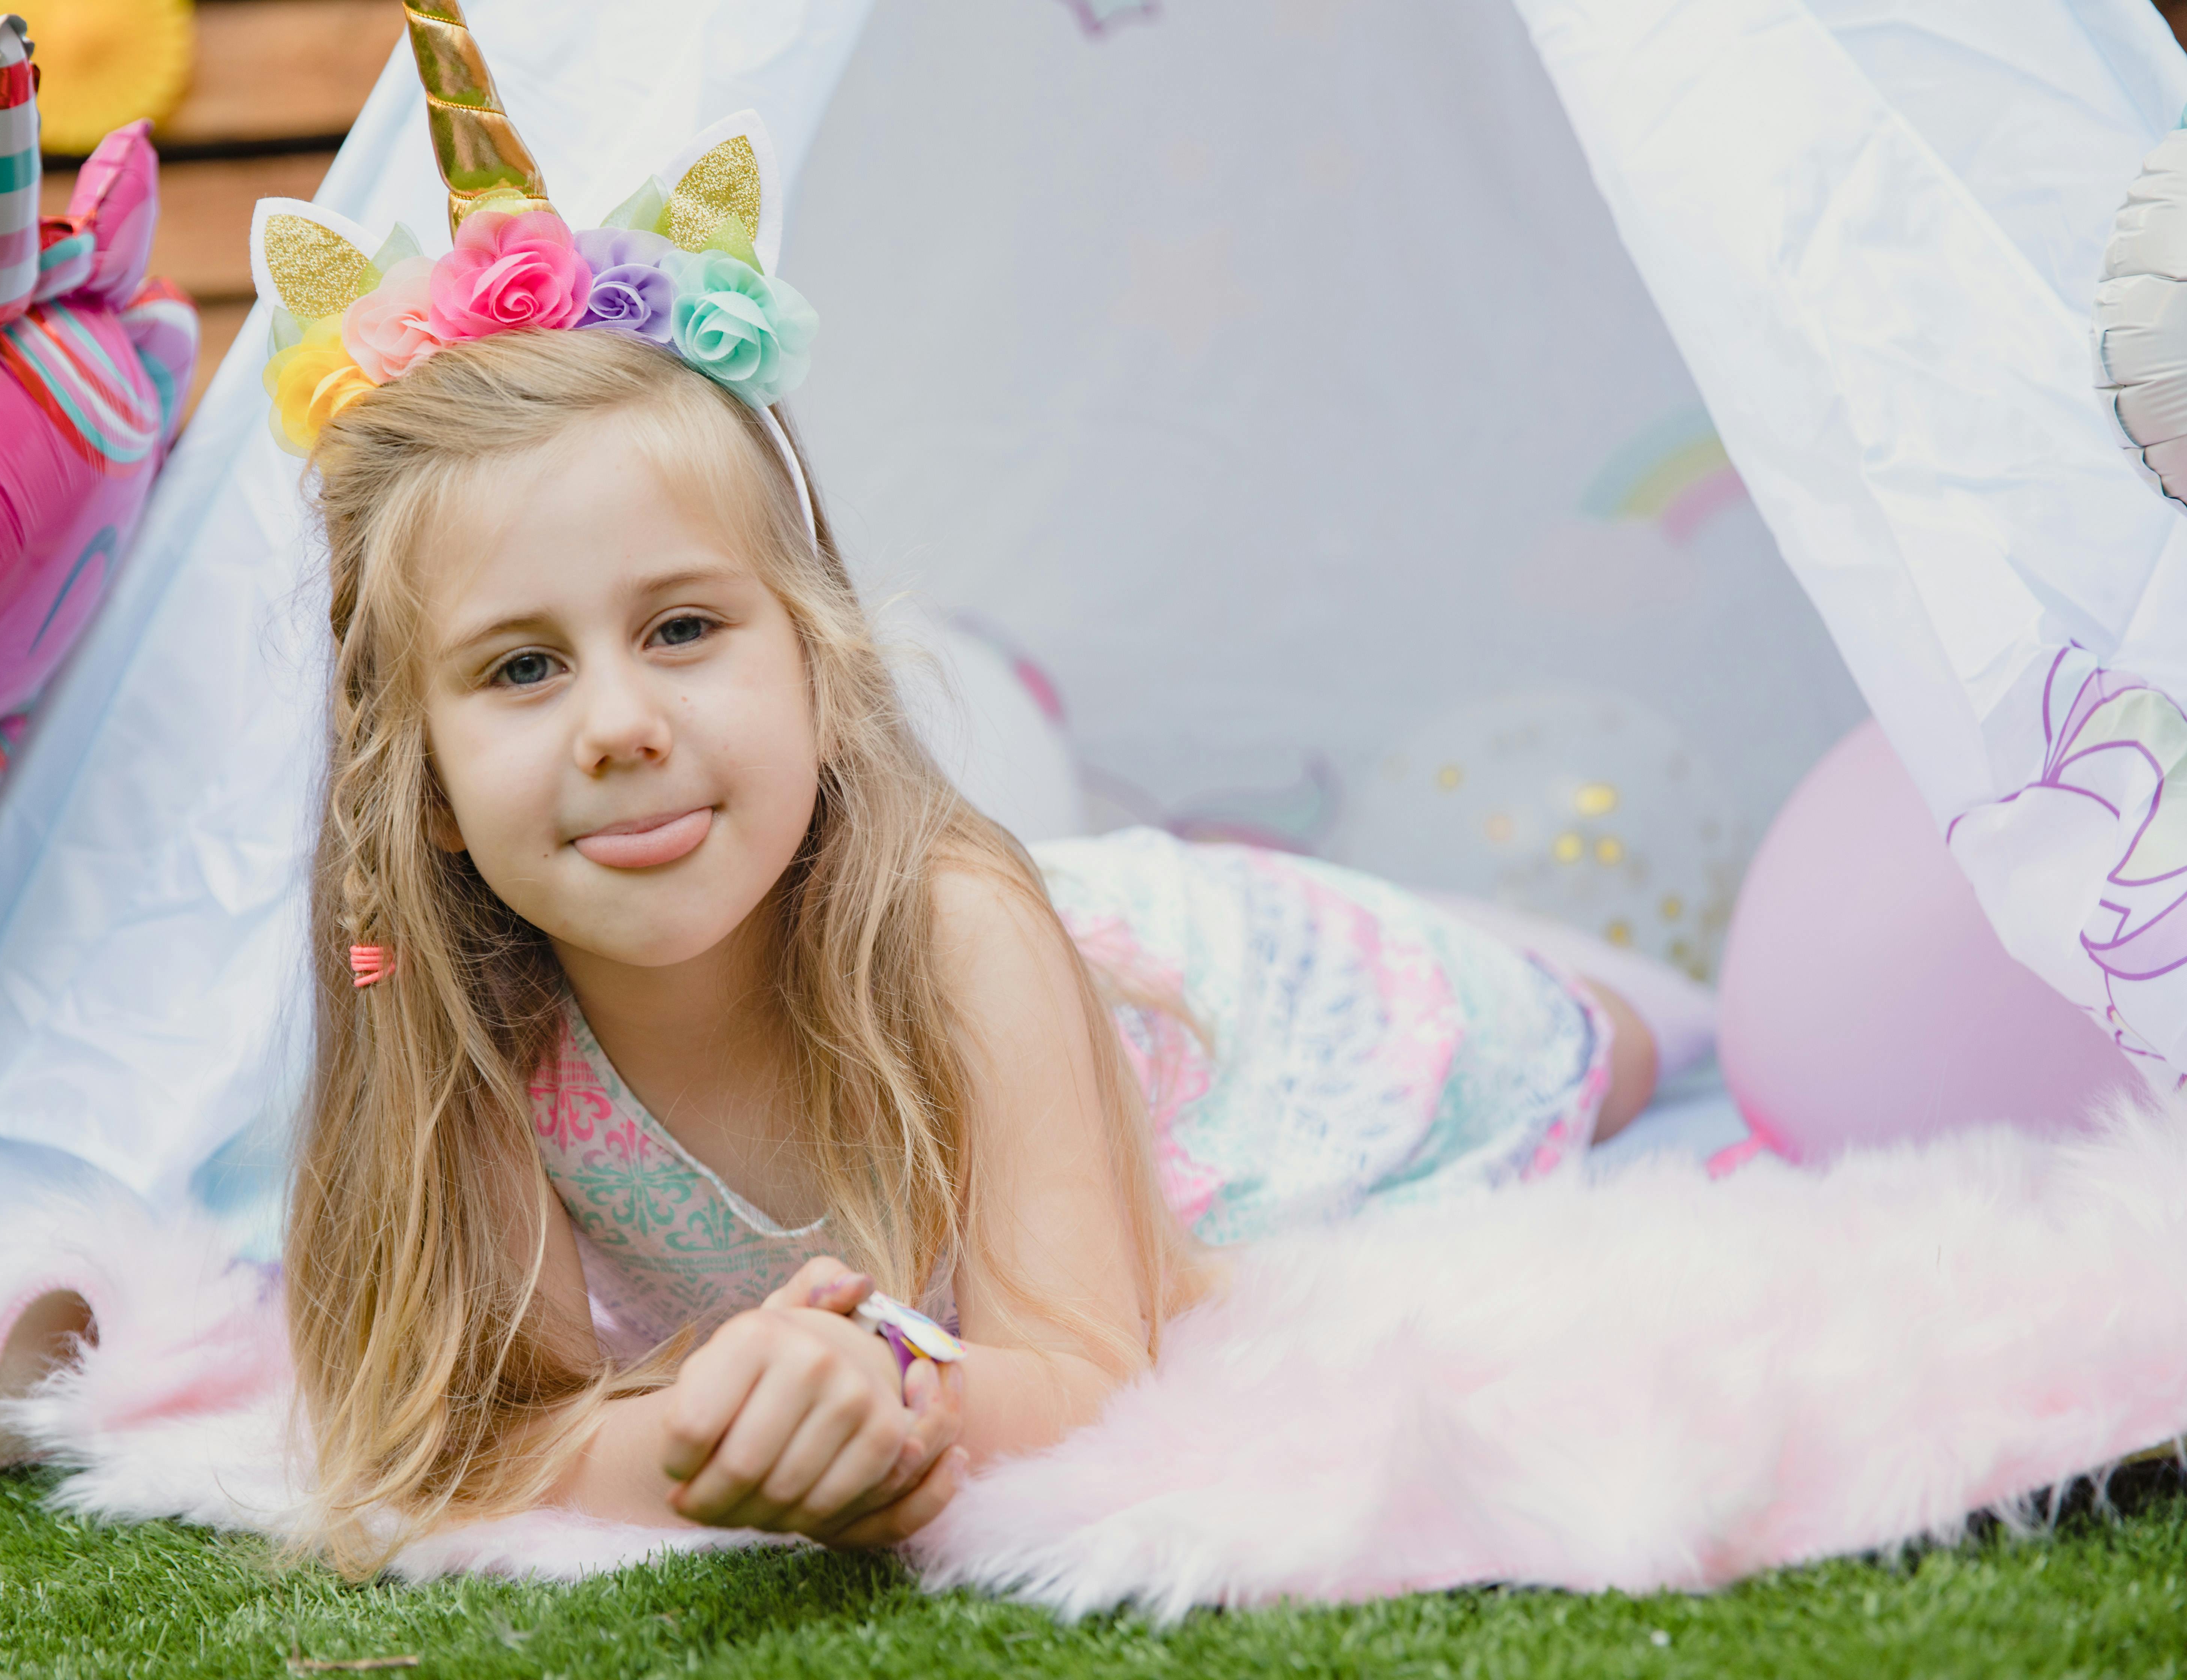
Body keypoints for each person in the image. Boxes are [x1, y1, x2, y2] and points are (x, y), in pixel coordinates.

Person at [278, 244, 1658, 1574]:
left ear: (820, 664)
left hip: (1263, 1002)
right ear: (427, 785)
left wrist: (891, 1384)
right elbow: (495, 1440)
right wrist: (720, 1448)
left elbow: (1083, 1372)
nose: (621, 726)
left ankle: (1603, 989)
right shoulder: (473, 1020)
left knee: (1599, 1053)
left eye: (684, 628)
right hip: (1105, 961)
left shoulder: (957, 930)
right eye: (522, 668)